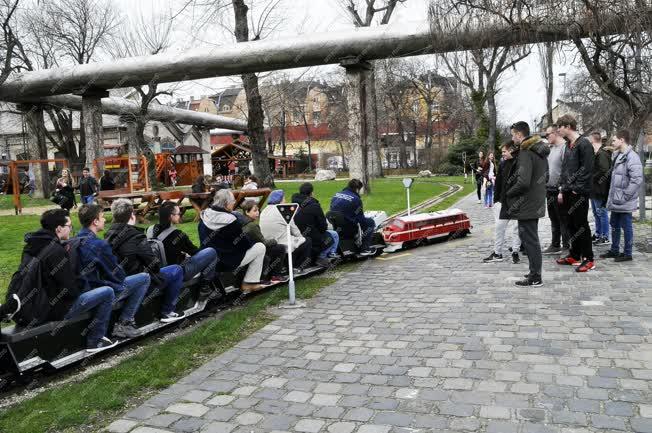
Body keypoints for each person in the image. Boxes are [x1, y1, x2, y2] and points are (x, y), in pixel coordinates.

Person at [24, 209, 116, 352]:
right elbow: (70, 290)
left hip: (34, 306)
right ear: (59, 228)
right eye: (69, 226)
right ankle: (95, 340)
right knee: (107, 292)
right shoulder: (56, 250)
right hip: (56, 309)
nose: (71, 230)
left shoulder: (31, 246)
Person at [75, 204, 150, 339]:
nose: (105, 220)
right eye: (102, 217)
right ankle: (125, 323)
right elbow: (117, 275)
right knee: (143, 278)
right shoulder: (99, 244)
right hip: (98, 291)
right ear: (95, 221)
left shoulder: (75, 239)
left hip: (82, 291)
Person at [105, 199, 185, 323]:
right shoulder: (136, 236)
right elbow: (155, 265)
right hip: (139, 283)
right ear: (132, 216)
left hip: (119, 281)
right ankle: (167, 312)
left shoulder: (108, 235)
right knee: (176, 270)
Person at [505, 121, 550, 287]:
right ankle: (534, 271)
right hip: (535, 200)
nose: (512, 138)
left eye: (512, 135)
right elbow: (546, 176)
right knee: (531, 238)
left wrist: (508, 193)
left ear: (519, 134)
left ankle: (535, 277)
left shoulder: (525, 151)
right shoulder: (539, 150)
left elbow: (523, 182)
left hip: (527, 202)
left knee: (529, 239)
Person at [198, 189, 268, 292]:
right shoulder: (230, 220)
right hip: (226, 262)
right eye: (233, 201)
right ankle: (250, 283)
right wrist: (252, 242)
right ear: (226, 203)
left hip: (208, 260)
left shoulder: (204, 216)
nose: (234, 203)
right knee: (260, 247)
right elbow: (243, 244)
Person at [556, 114, 595, 272]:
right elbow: (565, 169)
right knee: (571, 224)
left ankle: (589, 259)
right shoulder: (568, 145)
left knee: (581, 225)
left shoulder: (584, 144)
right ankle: (575, 254)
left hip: (579, 193)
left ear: (568, 126)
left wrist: (575, 188)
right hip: (567, 191)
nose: (558, 130)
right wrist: (562, 188)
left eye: (560, 127)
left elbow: (586, 169)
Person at [600, 129, 644, 262]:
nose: (612, 142)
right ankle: (614, 250)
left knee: (627, 226)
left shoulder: (632, 157)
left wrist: (625, 196)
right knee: (614, 225)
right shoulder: (618, 155)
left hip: (624, 199)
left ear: (622, 140)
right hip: (616, 199)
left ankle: (627, 253)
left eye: (614, 140)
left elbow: (636, 179)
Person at [148, 201, 218, 282]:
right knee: (211, 252)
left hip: (156, 271)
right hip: (177, 273)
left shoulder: (150, 229)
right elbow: (195, 252)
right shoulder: (178, 234)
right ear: (171, 216)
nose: (180, 215)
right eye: (178, 213)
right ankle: (206, 286)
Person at [483, 142, 521, 264]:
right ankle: (497, 253)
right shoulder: (503, 163)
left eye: (504, 151)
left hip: (516, 201)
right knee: (499, 228)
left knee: (516, 228)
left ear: (511, 150)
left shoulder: (520, 163)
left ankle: (515, 251)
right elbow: (498, 182)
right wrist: (495, 200)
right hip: (502, 202)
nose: (502, 154)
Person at [260, 189, 313, 271]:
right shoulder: (283, 211)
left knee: (294, 240)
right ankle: (298, 266)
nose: (285, 201)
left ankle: (287, 265)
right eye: (284, 198)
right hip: (282, 242)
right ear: (280, 200)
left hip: (268, 241)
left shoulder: (264, 211)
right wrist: (302, 238)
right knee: (307, 241)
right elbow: (295, 231)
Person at [239, 200, 288, 282]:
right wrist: (274, 240)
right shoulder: (251, 226)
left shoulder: (242, 222)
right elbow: (264, 243)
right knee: (280, 248)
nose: (258, 212)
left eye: (258, 210)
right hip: (252, 251)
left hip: (247, 250)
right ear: (247, 212)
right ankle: (275, 275)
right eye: (255, 211)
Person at [292, 182, 340, 266]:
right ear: (311, 193)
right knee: (333, 235)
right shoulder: (314, 206)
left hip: (297, 234)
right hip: (312, 237)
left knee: (332, 234)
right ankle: (322, 257)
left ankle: (328, 255)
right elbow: (323, 227)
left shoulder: (293, 204)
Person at [329, 179, 376, 256]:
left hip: (336, 226)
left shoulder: (336, 194)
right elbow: (361, 219)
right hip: (348, 228)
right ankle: (365, 249)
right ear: (357, 189)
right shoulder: (356, 199)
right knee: (370, 222)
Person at [542, 124, 570, 254]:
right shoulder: (551, 148)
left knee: (563, 219)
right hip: (549, 189)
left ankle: (566, 246)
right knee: (553, 218)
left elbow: (566, 172)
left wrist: (561, 190)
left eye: (548, 134)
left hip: (560, 190)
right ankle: (555, 244)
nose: (546, 137)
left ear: (555, 133)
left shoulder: (565, 148)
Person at [589, 131, 612, 245]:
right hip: (594, 189)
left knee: (602, 213)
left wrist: (590, 177)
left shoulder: (602, 153)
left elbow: (604, 170)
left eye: (589, 140)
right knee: (596, 213)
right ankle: (598, 234)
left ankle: (605, 236)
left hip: (600, 189)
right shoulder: (596, 153)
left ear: (593, 140)